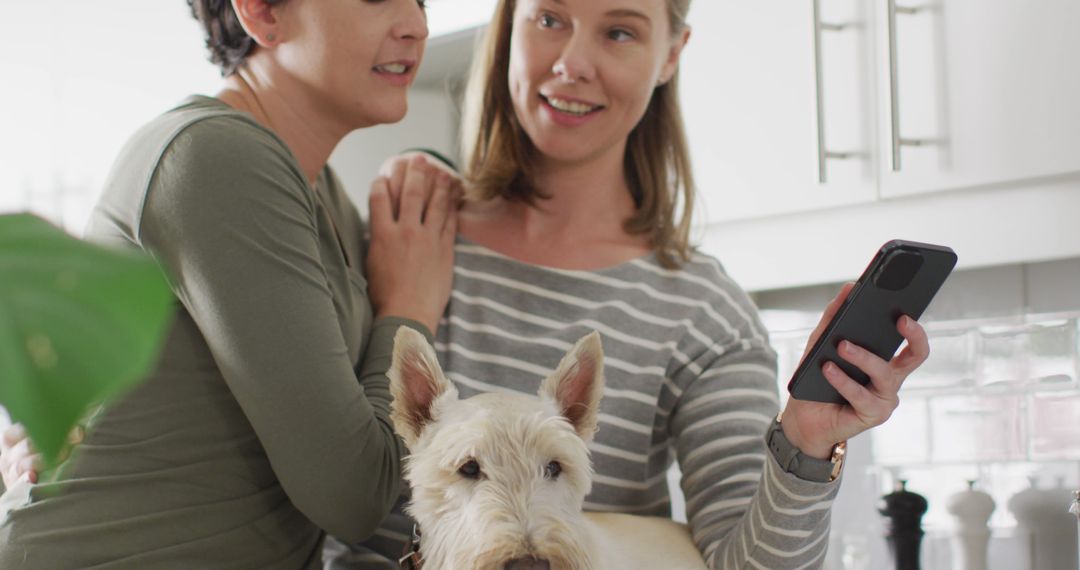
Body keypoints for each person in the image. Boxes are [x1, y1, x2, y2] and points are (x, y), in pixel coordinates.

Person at [322, 0, 930, 568]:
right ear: (509, 24)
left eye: (619, 31)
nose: (572, 63)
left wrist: (806, 445)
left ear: (671, 53)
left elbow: (745, 561)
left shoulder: (704, 314)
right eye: (550, 18)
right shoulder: (407, 234)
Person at [0, 0, 457, 568]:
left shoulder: (317, 188)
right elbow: (353, 495)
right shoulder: (217, 156)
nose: (416, 24)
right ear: (263, 13)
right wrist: (411, 303)